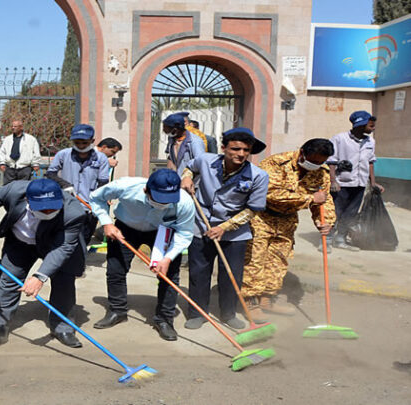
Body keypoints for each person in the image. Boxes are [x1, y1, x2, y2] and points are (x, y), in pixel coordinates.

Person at [0, 178, 88, 348]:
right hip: (20, 243)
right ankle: (0, 323)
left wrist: (40, 276)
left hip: (56, 245)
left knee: (64, 284)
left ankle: (62, 328)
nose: (48, 211)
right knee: (9, 280)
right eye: (42, 208)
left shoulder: (74, 211)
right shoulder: (14, 190)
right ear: (28, 200)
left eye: (53, 206)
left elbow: (63, 248)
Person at [89, 169, 195, 341]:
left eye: (169, 201)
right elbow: (96, 197)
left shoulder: (184, 202)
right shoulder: (125, 186)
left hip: (162, 232)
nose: (164, 204)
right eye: (159, 199)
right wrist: (107, 223)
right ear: (147, 190)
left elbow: (184, 234)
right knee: (116, 270)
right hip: (125, 228)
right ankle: (117, 310)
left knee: (169, 275)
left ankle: (165, 319)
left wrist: (168, 258)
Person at [179, 128, 269, 330]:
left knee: (231, 275)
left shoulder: (259, 176)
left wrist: (225, 227)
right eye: (236, 149)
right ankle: (197, 313)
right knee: (199, 272)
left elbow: (253, 209)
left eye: (246, 150)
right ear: (223, 148)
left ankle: (228, 313)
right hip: (200, 225)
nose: (241, 154)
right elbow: (189, 167)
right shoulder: (205, 160)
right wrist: (186, 177)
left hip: (234, 232)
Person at [241, 138, 336, 321]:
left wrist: (326, 221)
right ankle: (250, 302)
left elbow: (324, 198)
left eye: (320, 162)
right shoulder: (275, 163)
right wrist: (309, 199)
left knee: (278, 261)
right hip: (262, 216)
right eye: (313, 161)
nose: (315, 165)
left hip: (287, 220)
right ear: (302, 153)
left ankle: (266, 300)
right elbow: (270, 194)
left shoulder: (321, 173)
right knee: (254, 260)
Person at [328, 111, 383, 251]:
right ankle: (327, 240)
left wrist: (372, 182)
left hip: (359, 184)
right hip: (341, 184)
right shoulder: (340, 139)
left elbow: (370, 162)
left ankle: (340, 239)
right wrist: (333, 181)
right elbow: (332, 161)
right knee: (335, 212)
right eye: (371, 125)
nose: (373, 128)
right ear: (361, 124)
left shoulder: (371, 141)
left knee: (351, 213)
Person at [46, 124, 110, 242]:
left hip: (89, 206)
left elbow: (103, 182)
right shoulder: (63, 154)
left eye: (84, 143)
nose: (80, 146)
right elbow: (50, 174)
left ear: (92, 141)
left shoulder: (101, 158)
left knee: (84, 238)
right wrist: (65, 185)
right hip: (66, 204)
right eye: (77, 143)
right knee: (65, 238)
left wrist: (99, 200)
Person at [0, 120, 42, 185]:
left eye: (15, 126)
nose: (13, 128)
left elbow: (36, 152)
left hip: (24, 168)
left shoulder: (30, 139)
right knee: (8, 188)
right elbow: (2, 152)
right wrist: (2, 163)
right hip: (10, 168)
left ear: (21, 127)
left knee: (23, 188)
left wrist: (35, 164)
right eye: (12, 126)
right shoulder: (7, 139)